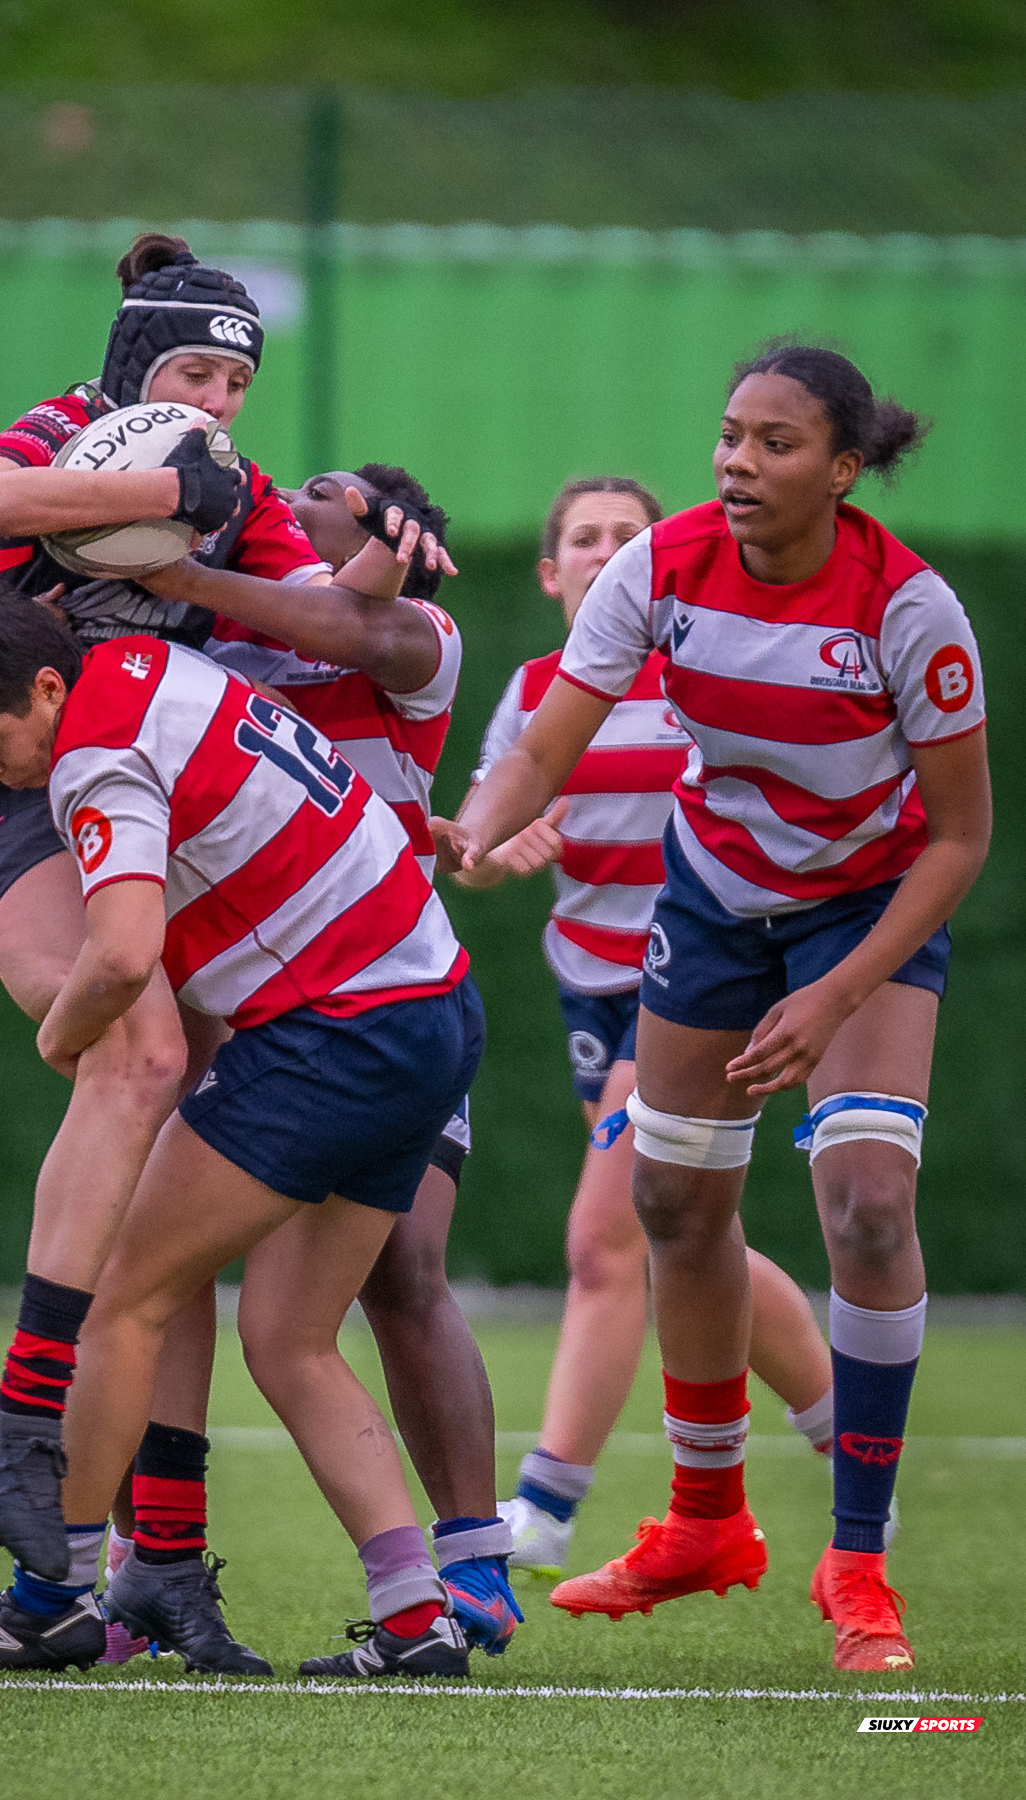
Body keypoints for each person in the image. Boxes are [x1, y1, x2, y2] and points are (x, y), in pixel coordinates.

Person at [438, 343, 991, 1672]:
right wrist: (465, 834)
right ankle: (702, 1524)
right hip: (712, 906)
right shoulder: (658, 568)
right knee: (671, 1204)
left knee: (864, 1208)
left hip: (864, 915)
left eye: (773, 443)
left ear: (842, 471)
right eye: (727, 436)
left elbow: (959, 841)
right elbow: (544, 747)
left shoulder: (907, 612)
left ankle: (856, 1560)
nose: (734, 462)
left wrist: (837, 994)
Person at [0, 231, 440, 1584]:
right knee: (135, 1052)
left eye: (233, 380)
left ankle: (160, 1560)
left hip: (154, 801)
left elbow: (329, 619)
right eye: (190, 369)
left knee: (172, 1195)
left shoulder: (242, 490)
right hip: (36, 797)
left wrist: (394, 548)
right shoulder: (75, 431)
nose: (217, 400)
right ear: (129, 369)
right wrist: (171, 481)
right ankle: (27, 1404)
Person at [0, 580, 484, 1678]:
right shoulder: (160, 672)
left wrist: (59, 1035)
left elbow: (116, 955)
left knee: (120, 1300)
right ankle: (412, 1619)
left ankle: (46, 1600)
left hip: (338, 1031)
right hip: (433, 1007)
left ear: (46, 686)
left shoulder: (93, 752)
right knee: (290, 1339)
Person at [97, 467, 521, 1663]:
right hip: (240, 1003)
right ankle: (153, 1564)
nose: (292, 501)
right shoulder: (220, 627)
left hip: (377, 996)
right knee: (173, 1280)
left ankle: (468, 1563)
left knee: (401, 1272)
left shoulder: (410, 632)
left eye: (323, 492)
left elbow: (341, 622)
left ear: (386, 526)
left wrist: (168, 568)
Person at [455, 476, 834, 1577]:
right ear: (551, 572)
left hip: (703, 986)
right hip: (592, 992)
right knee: (687, 1234)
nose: (607, 549)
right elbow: (483, 826)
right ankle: (850, 1434)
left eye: (630, 535)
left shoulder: (706, 682)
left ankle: (544, 1506)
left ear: (656, 566)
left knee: (603, 1239)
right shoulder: (534, 695)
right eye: (584, 536)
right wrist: (489, 851)